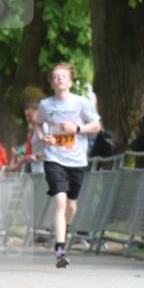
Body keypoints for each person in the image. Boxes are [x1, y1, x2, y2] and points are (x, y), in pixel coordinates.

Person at [35, 62, 101, 269]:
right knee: (61, 203)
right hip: (54, 158)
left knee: (71, 205)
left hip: (77, 159)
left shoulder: (81, 103)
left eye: (63, 76)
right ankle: (60, 251)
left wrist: (77, 128)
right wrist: (43, 137)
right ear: (51, 82)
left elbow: (96, 126)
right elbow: (38, 124)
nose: (59, 79)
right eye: (55, 76)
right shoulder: (45, 104)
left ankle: (66, 225)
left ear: (71, 81)